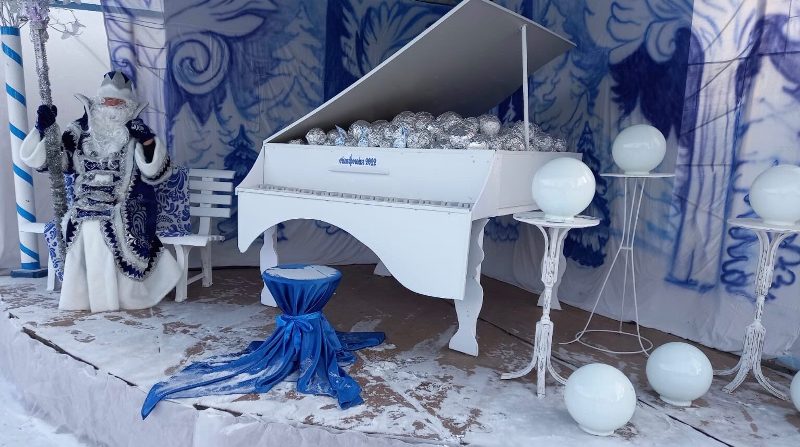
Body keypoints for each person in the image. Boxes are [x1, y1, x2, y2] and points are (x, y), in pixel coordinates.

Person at [20, 70, 180, 312]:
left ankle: (120, 297)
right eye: (106, 100)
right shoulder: (78, 131)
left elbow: (156, 172)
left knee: (105, 225)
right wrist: (44, 131)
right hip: (84, 203)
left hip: (126, 202)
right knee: (81, 223)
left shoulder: (136, 131)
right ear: (98, 101)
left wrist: (147, 142)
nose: (111, 106)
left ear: (128, 105)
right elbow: (55, 163)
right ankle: (85, 298)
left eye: (118, 102)